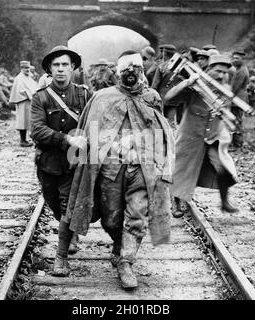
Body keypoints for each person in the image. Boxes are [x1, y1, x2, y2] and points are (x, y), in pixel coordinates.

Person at [53, 50, 175, 290]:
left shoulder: (152, 97)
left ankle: (126, 262)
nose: (131, 74)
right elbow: (89, 130)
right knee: (111, 219)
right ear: (118, 73)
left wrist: (161, 162)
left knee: (138, 216)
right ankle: (118, 247)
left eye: (136, 70)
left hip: (143, 167)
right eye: (126, 70)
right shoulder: (102, 98)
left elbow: (160, 129)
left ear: (142, 72)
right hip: (111, 169)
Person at [31, 45, 92, 256]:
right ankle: (69, 229)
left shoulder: (84, 95)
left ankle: (62, 252)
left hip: (75, 161)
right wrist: (67, 138)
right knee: (54, 203)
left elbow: (96, 122)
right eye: (55, 65)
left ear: (73, 67)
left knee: (67, 204)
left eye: (65, 64)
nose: (60, 69)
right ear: (49, 69)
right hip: (48, 161)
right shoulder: (40, 97)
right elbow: (37, 130)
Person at [165, 54, 242, 214]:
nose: (221, 75)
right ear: (209, 70)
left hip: (213, 137)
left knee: (223, 168)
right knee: (182, 169)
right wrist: (187, 83)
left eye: (224, 72)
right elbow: (169, 98)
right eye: (218, 71)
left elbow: (225, 115)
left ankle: (224, 201)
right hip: (190, 136)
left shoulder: (225, 90)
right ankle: (176, 203)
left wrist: (229, 125)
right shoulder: (195, 86)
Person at [10, 60, 39, 147]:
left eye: (28, 68)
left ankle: (34, 138)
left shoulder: (28, 77)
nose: (27, 70)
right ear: (21, 68)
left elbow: (34, 86)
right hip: (23, 102)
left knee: (31, 120)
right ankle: (22, 140)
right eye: (25, 68)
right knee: (23, 121)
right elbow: (21, 90)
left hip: (30, 101)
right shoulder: (19, 78)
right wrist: (30, 94)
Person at [151, 44, 179, 127]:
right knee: (171, 123)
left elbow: (155, 85)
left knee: (159, 123)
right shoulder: (180, 67)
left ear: (164, 53)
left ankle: (160, 139)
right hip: (174, 98)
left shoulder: (161, 66)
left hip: (161, 98)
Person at [230, 50, 250, 148]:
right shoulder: (239, 69)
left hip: (238, 98)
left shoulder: (242, 70)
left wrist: (229, 96)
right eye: (233, 58)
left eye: (237, 58)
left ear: (242, 59)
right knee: (235, 119)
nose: (234, 60)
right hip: (237, 98)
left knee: (236, 120)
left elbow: (236, 87)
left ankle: (237, 143)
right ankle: (236, 142)